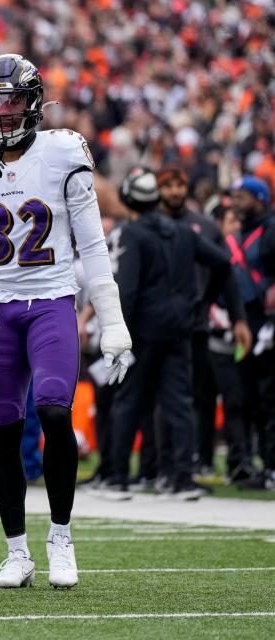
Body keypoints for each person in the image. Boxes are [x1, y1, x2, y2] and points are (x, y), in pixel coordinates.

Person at [0, 54, 133, 590]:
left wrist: (113, 321)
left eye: (13, 100)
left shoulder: (62, 151)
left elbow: (93, 244)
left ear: (34, 101)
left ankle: (60, 536)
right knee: (3, 429)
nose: (4, 113)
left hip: (52, 301)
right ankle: (16, 553)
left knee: (53, 412)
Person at [106, 167, 248, 501]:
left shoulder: (134, 233)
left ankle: (118, 477)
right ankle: (181, 477)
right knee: (180, 403)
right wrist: (202, 301)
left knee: (129, 400)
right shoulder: (187, 230)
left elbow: (127, 290)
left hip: (144, 329)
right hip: (182, 327)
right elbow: (224, 263)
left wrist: (118, 331)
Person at [157, 167, 252, 476]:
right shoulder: (148, 226)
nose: (174, 191)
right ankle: (159, 465)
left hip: (193, 323)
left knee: (195, 396)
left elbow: (225, 269)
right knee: (156, 397)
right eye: (168, 185)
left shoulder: (203, 227)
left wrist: (223, 310)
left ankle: (191, 463)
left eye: (179, 185)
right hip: (155, 325)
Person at [228, 176, 275, 488]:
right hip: (246, 322)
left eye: (243, 197)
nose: (236, 203)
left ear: (260, 198)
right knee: (252, 397)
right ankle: (264, 462)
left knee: (270, 396)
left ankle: (272, 465)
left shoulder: (270, 229)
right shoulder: (240, 233)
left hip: (267, 321)